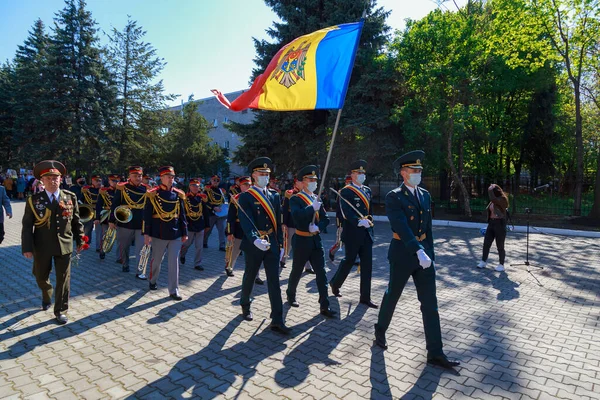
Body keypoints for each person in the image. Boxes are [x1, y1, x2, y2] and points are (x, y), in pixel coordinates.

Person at [374, 150, 460, 369]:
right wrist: (418, 250)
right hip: (403, 253)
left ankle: (435, 352)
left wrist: (430, 253)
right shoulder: (394, 196)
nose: (418, 174)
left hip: (424, 256)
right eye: (414, 170)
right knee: (392, 294)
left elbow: (428, 227)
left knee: (430, 304)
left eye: (420, 170)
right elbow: (400, 226)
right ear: (403, 173)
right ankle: (380, 330)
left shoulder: (425, 195)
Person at [21, 160, 85, 324]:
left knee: (64, 279)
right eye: (48, 178)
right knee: (40, 276)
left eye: (55, 177)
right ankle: (46, 292)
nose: (52, 180)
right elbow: (27, 226)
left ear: (61, 179)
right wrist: (26, 248)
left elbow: (76, 221)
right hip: (41, 246)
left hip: (64, 245)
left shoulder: (70, 197)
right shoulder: (34, 200)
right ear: (42, 181)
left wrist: (81, 239)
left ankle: (61, 310)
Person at [237, 157, 289, 334]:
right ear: (253, 175)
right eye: (261, 174)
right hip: (255, 245)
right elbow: (246, 222)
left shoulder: (274, 195)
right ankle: (245, 304)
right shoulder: (245, 197)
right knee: (250, 276)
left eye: (267, 174)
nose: (265, 177)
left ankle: (277, 318)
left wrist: (281, 244)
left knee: (274, 281)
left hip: (271, 243)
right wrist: (254, 239)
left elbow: (278, 221)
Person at [285, 165, 335, 318]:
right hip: (301, 240)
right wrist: (311, 208)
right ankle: (290, 295)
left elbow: (326, 219)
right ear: (303, 181)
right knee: (297, 270)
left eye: (315, 180)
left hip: (315, 240)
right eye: (310, 179)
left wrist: (318, 227)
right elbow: (297, 216)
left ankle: (324, 305)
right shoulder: (295, 198)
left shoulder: (316, 198)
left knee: (321, 273)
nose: (314, 182)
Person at [330, 161, 377, 308]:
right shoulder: (346, 191)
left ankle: (365, 297)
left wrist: (369, 222)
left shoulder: (367, 190)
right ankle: (335, 283)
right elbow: (345, 212)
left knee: (367, 265)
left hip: (366, 233)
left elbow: (370, 211)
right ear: (352, 174)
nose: (361, 176)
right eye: (358, 173)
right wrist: (358, 221)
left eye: (363, 173)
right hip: (352, 233)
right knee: (349, 261)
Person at [144, 166, 188, 300]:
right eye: (168, 176)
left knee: (174, 261)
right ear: (161, 178)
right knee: (157, 260)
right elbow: (147, 216)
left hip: (175, 233)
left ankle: (174, 290)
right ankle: (152, 280)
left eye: (172, 177)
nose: (171, 179)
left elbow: (182, 215)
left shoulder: (178, 194)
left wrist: (184, 232)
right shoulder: (153, 194)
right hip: (159, 232)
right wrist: (147, 234)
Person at [109, 166, 148, 278]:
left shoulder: (146, 189)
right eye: (135, 176)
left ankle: (139, 271)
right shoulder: (122, 188)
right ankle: (125, 264)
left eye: (139, 176)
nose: (138, 178)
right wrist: (112, 220)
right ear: (129, 176)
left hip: (141, 223)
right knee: (124, 246)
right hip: (125, 222)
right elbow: (115, 204)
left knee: (140, 248)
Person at [225, 176, 265, 283]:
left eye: (249, 185)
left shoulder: (256, 198)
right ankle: (229, 267)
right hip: (239, 228)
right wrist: (230, 232)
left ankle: (256, 275)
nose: (247, 187)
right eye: (245, 185)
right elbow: (231, 217)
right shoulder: (235, 199)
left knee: (255, 252)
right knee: (236, 250)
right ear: (240, 186)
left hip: (253, 230)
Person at [281, 178, 314, 273]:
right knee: (289, 243)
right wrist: (284, 223)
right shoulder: (290, 193)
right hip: (292, 223)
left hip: (303, 224)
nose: (303, 184)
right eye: (300, 182)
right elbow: (285, 209)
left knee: (305, 246)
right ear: (296, 183)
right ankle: (283, 260)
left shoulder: (307, 193)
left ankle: (308, 266)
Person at [477, 184, 509, 272]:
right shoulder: (492, 201)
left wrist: (490, 190)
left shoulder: (502, 199)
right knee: (486, 243)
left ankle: (501, 264)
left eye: (491, 191)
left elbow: (493, 199)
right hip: (491, 223)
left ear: (495, 192)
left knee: (500, 245)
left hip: (500, 224)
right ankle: (483, 261)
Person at [180, 178, 206, 271]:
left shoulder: (201, 197)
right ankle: (182, 255)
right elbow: (182, 211)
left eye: (197, 186)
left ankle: (197, 264)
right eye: (193, 185)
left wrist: (207, 225)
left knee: (199, 246)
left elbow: (205, 211)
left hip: (200, 224)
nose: (195, 187)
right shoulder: (185, 198)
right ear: (189, 187)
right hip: (189, 224)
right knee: (187, 244)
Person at [95, 174, 119, 259]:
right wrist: (97, 217)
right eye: (113, 181)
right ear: (109, 181)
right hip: (107, 215)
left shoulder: (123, 191)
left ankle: (120, 257)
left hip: (120, 215)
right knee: (105, 234)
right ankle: (102, 250)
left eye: (117, 181)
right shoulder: (104, 191)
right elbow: (99, 205)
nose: (116, 183)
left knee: (120, 237)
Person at [203, 175, 228, 251]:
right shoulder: (207, 190)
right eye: (214, 180)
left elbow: (223, 201)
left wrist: (223, 208)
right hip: (211, 213)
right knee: (208, 230)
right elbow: (205, 202)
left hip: (220, 213)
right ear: (211, 180)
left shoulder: (221, 190)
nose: (215, 182)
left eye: (217, 181)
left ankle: (222, 245)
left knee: (222, 230)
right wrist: (213, 207)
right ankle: (204, 242)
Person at [82, 175, 103, 252]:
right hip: (89, 210)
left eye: (100, 181)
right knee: (87, 229)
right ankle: (86, 244)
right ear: (92, 181)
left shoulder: (103, 190)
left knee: (99, 230)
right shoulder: (87, 190)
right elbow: (82, 199)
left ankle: (99, 247)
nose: (98, 183)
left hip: (100, 211)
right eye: (96, 181)